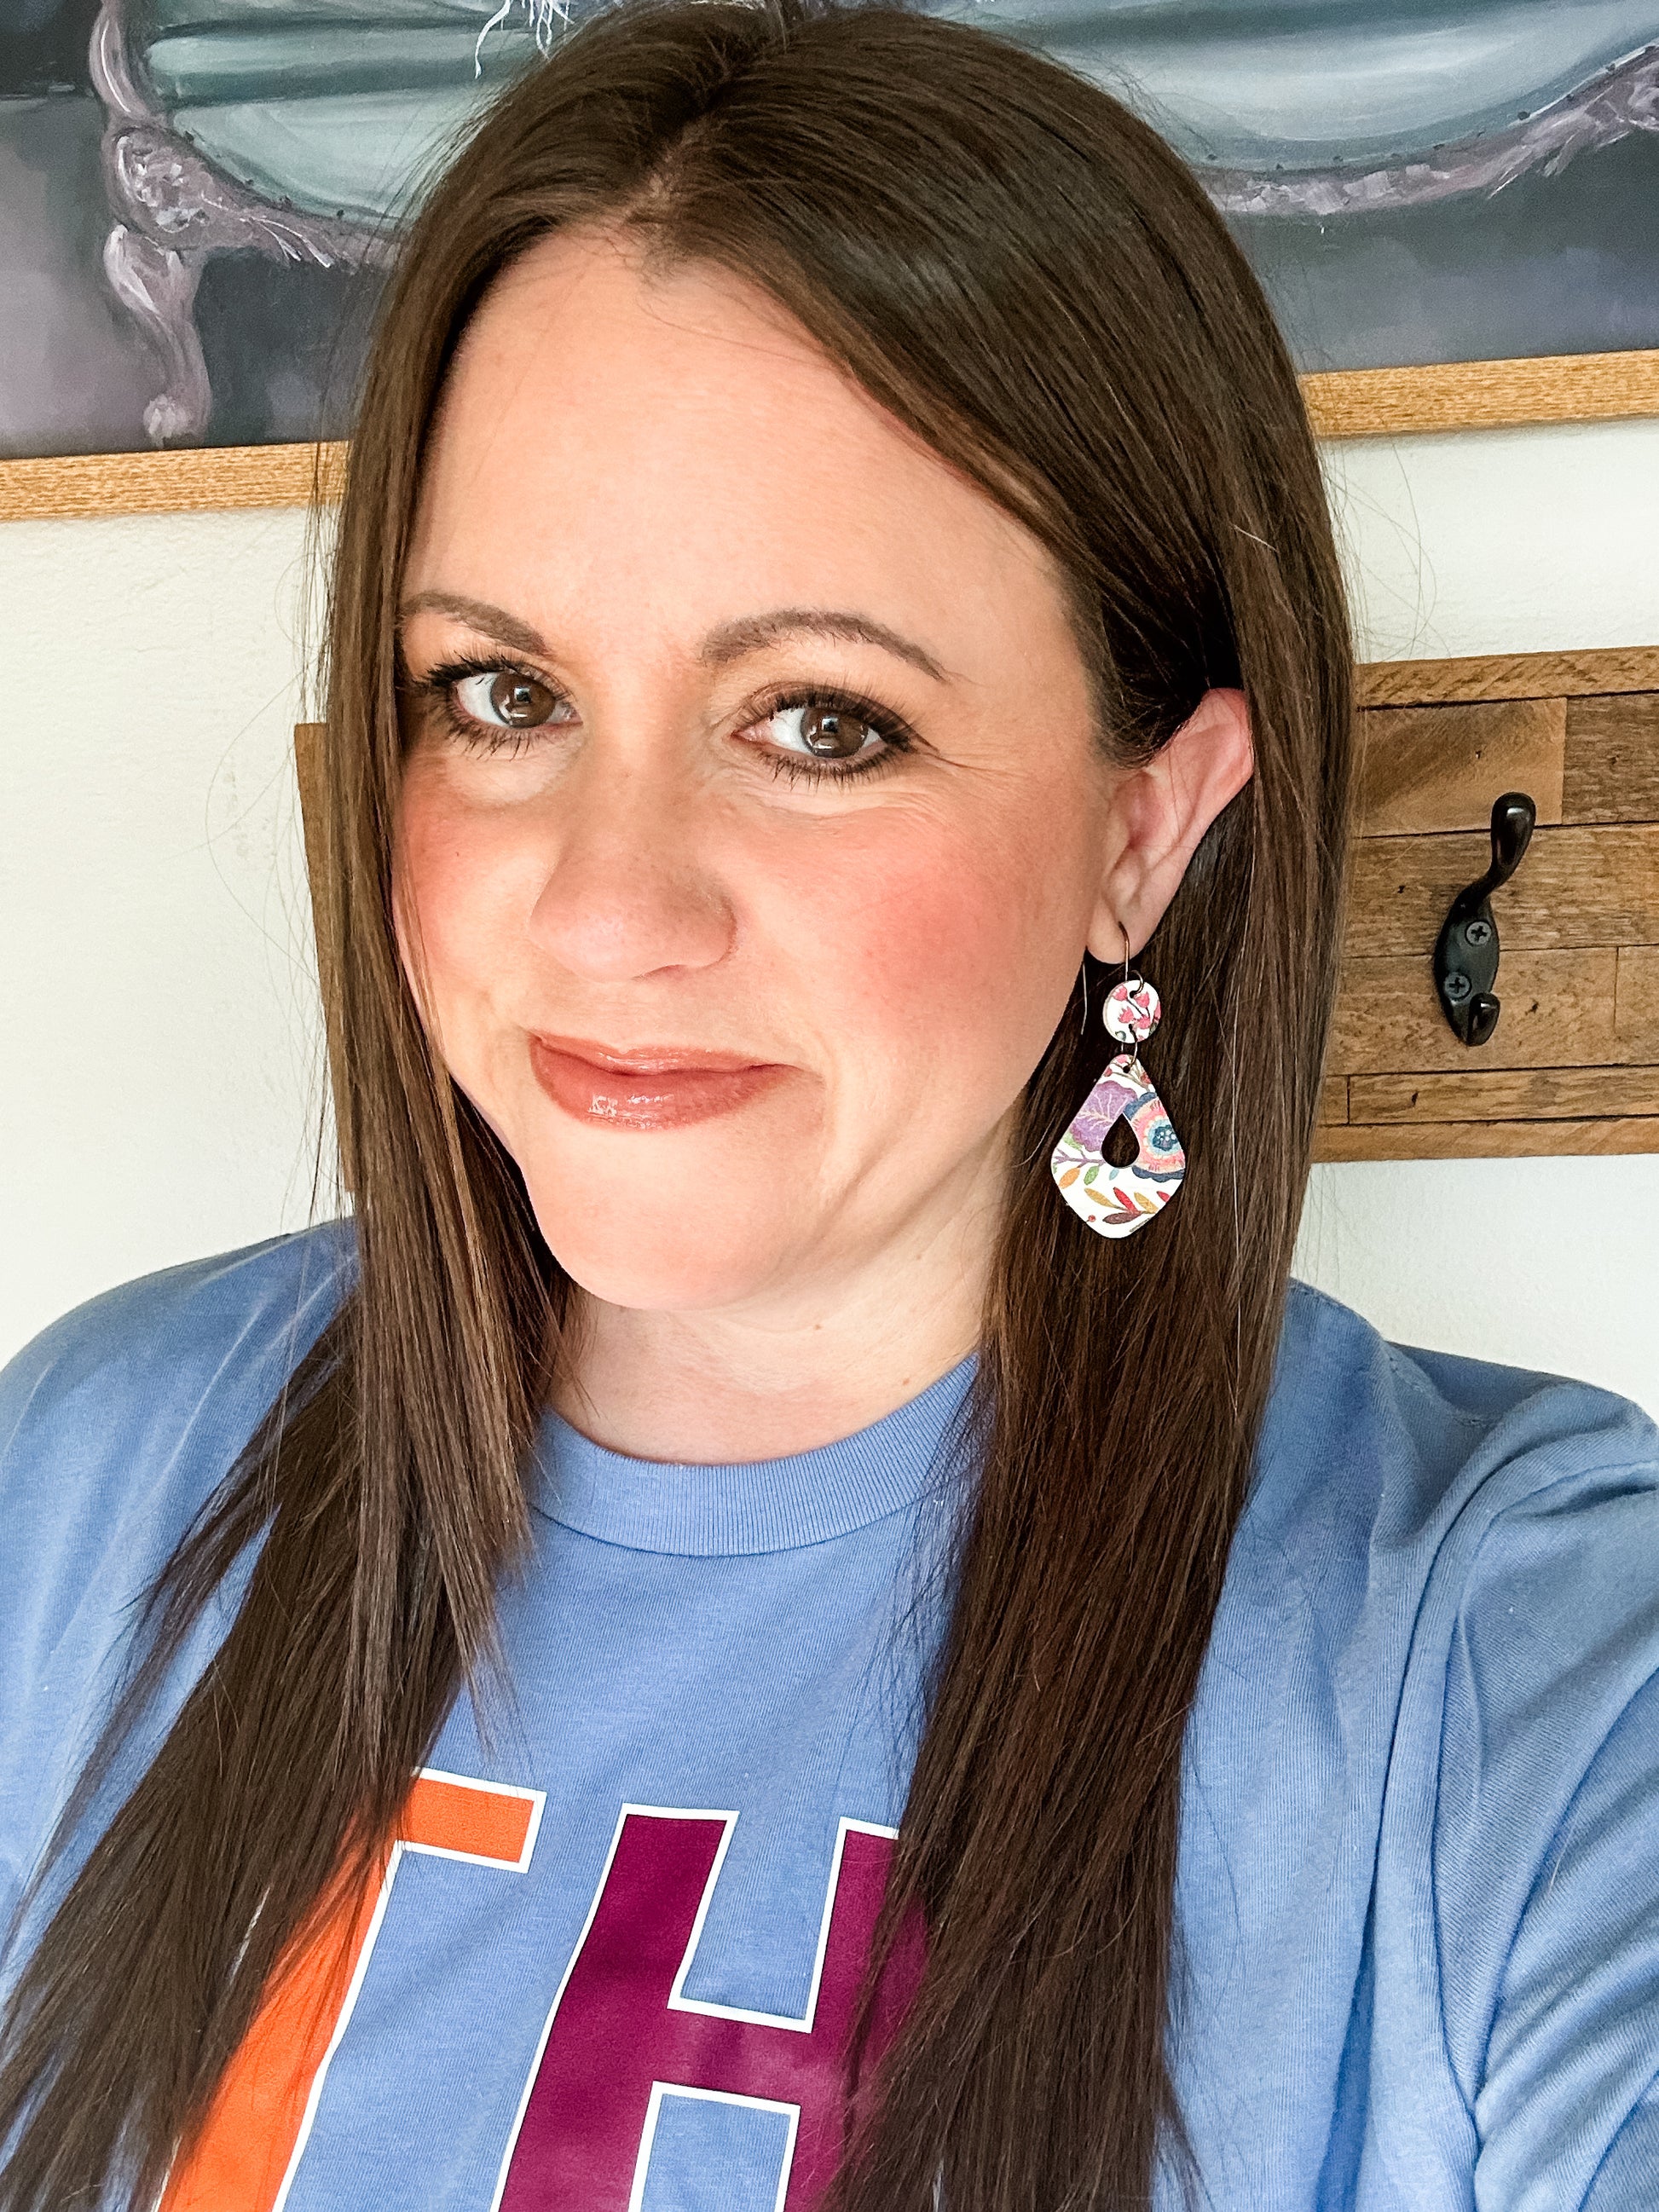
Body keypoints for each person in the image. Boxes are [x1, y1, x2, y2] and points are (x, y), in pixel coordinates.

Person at [3, 3, 1656, 2207]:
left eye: (821, 721)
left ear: (1139, 830)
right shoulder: (98, 1470)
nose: (605, 908)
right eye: (499, 693)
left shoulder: (1510, 1653)